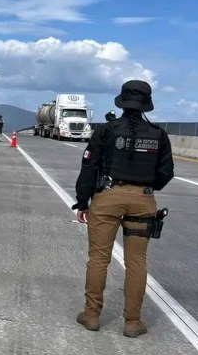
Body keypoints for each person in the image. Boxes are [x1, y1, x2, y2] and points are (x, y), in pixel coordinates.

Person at [72, 80, 174, 338]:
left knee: (99, 258)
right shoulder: (158, 134)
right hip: (143, 200)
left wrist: (83, 201)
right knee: (137, 262)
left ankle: (92, 315)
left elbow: (89, 168)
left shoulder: (106, 130)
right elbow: (166, 173)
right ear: (146, 104)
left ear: (122, 101)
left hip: (107, 197)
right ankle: (132, 321)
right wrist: (144, 188)